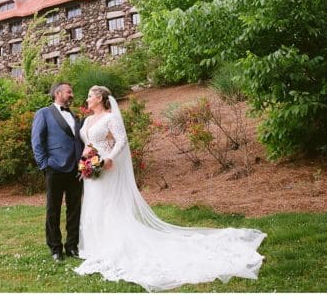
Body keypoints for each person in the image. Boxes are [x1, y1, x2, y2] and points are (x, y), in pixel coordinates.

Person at [74, 85, 266, 291]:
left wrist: (109, 159)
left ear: (101, 98)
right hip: (90, 167)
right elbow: (88, 142)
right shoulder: (87, 121)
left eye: (90, 96)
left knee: (110, 205)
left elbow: (121, 140)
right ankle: (100, 247)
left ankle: (117, 246)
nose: (87, 99)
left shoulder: (110, 117)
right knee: (96, 206)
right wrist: (86, 160)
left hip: (107, 166)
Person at [30, 82, 85, 261]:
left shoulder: (74, 115)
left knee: (74, 209)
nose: (72, 95)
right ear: (58, 93)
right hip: (54, 168)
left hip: (76, 169)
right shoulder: (44, 113)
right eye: (69, 91)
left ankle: (72, 247)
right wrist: (44, 164)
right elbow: (37, 141)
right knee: (53, 209)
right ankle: (55, 248)